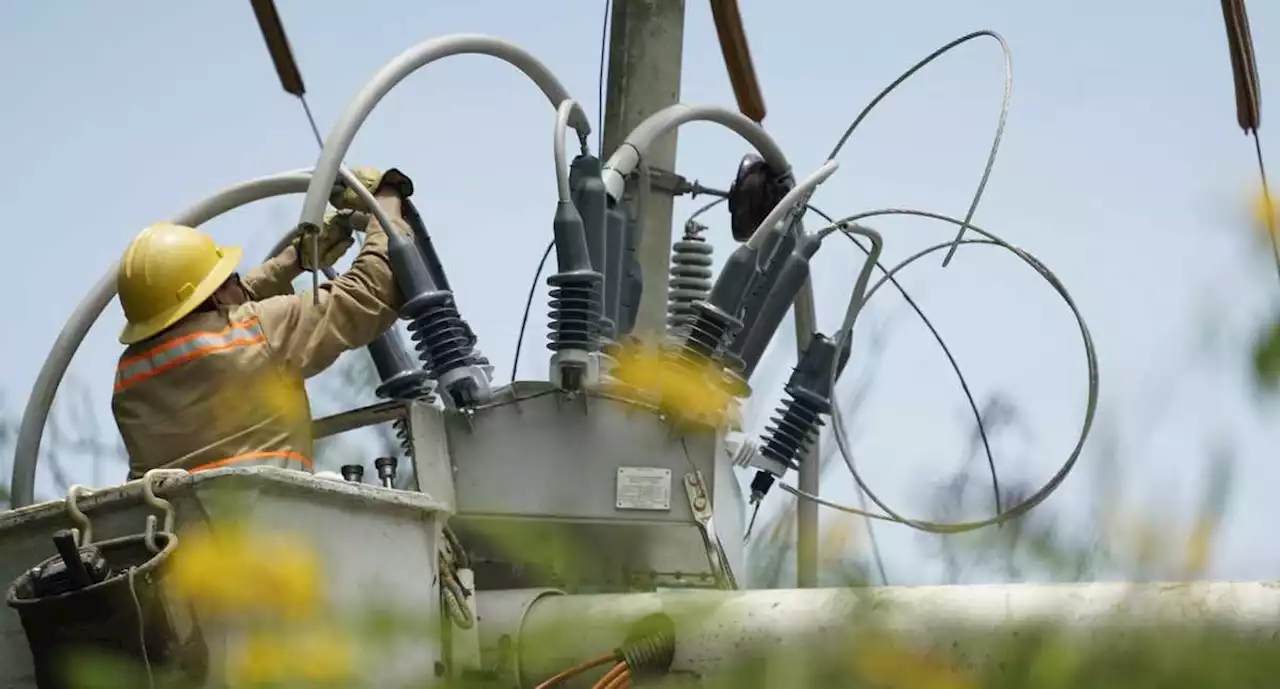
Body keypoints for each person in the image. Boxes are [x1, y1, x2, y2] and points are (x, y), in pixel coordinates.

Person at [111, 167, 414, 479]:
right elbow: (370, 291)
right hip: (279, 520)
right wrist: (387, 200)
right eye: (227, 278)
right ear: (213, 296)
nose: (238, 284)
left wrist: (293, 260)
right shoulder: (255, 334)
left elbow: (220, 311)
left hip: (184, 525)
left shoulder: (129, 382)